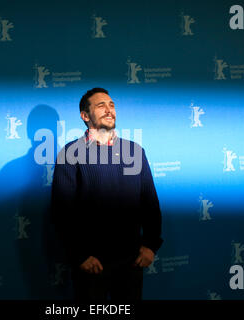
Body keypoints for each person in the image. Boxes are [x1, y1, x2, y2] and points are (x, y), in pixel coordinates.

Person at [50, 87, 163, 300]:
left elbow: (150, 203)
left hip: (132, 260)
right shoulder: (70, 154)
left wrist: (151, 245)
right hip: (92, 264)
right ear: (85, 116)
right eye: (101, 106)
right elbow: (62, 212)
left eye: (111, 105)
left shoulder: (134, 151)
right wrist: (80, 256)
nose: (109, 110)